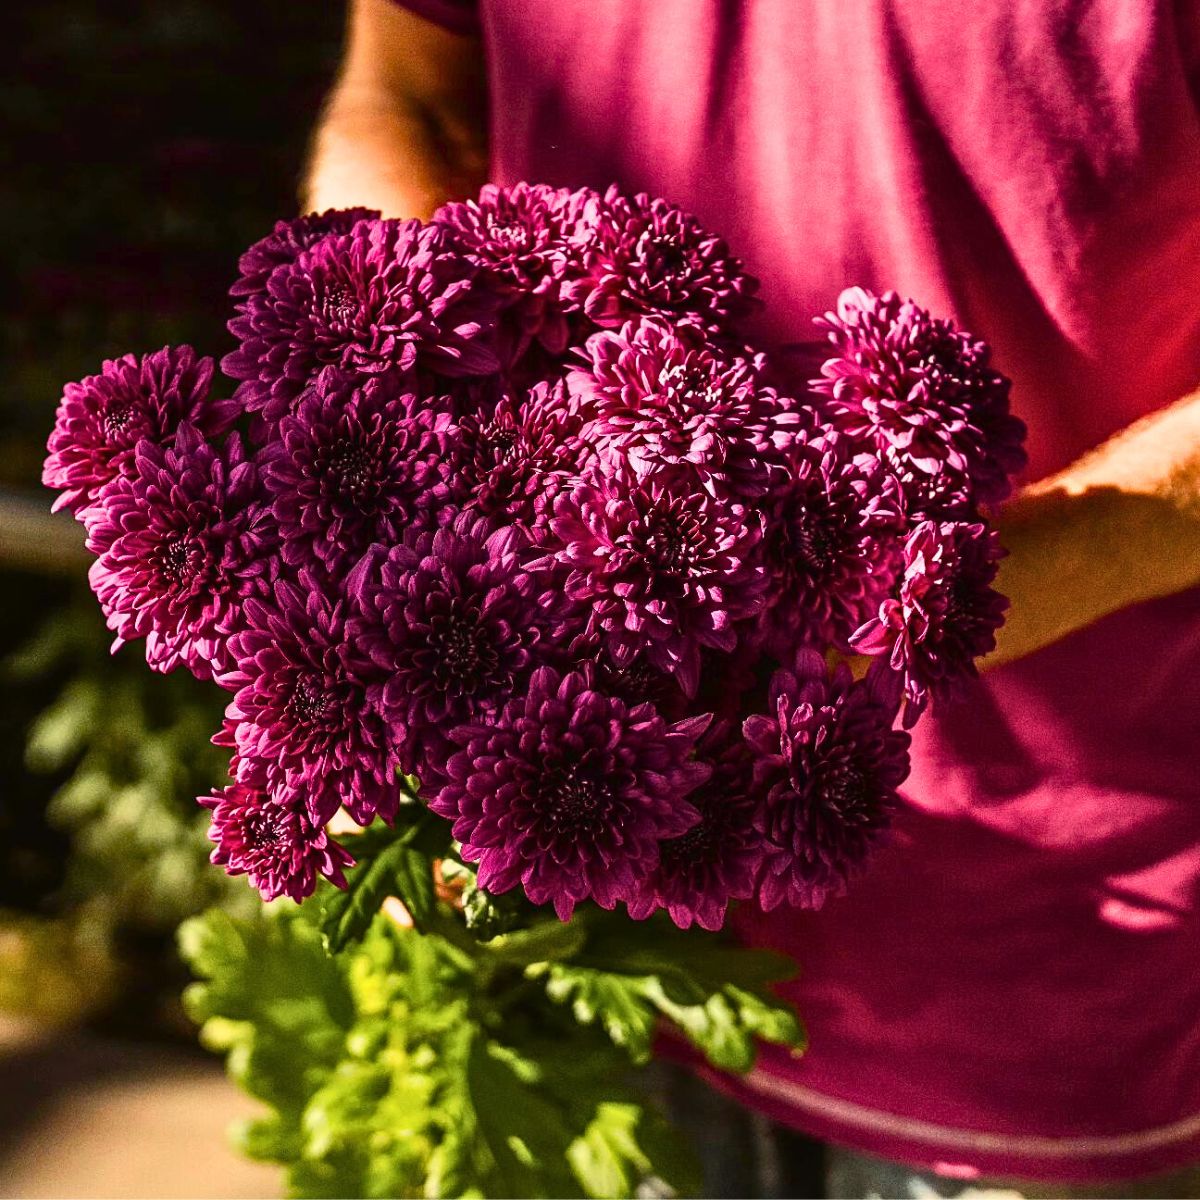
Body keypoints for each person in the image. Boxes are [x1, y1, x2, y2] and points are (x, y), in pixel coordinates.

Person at [305, 1, 1200, 1195]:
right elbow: (408, 94)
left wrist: (931, 596)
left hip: (1061, 965)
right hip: (589, 960)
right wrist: (394, 490)